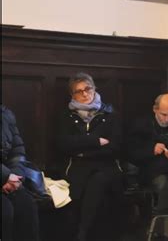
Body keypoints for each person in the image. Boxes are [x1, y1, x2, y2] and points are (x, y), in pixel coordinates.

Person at [56, 72, 123, 241]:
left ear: (94, 89)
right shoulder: (66, 116)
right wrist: (95, 141)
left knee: (98, 181)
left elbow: (115, 148)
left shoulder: (110, 114)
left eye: (88, 89)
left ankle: (82, 234)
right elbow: (63, 144)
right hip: (77, 167)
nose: (85, 94)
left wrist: (83, 150)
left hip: (107, 167)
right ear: (72, 95)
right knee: (82, 191)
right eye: (79, 91)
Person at [127, 93, 168, 215]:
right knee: (165, 185)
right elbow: (132, 154)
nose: (167, 119)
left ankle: (158, 222)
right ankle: (167, 224)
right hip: (153, 171)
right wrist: (152, 150)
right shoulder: (141, 124)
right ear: (155, 109)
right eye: (163, 115)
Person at [2, 104, 40, 241]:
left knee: (26, 205)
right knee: (5, 210)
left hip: (8, 178)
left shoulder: (5, 114)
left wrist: (15, 176)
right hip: (4, 176)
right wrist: (5, 176)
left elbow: (17, 152)